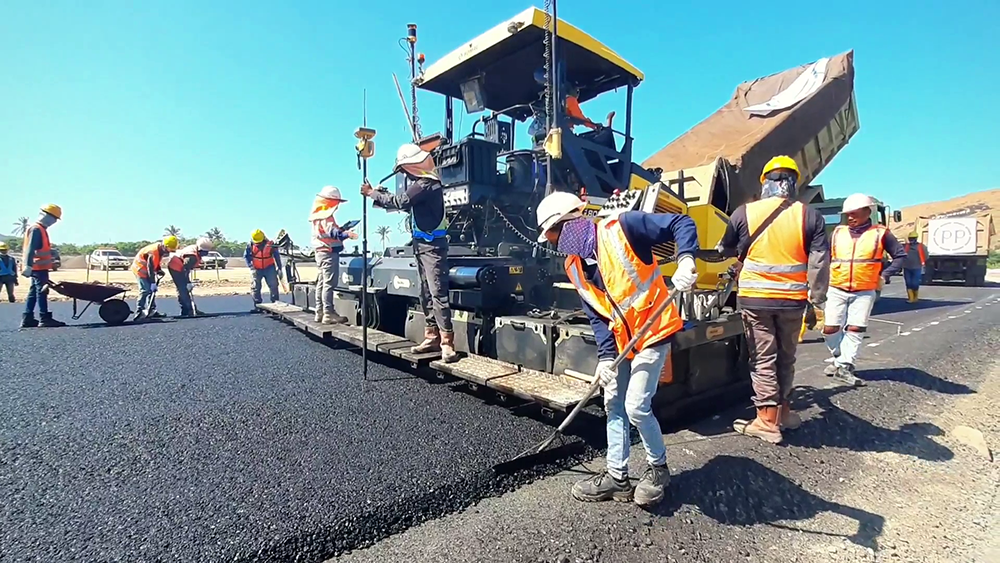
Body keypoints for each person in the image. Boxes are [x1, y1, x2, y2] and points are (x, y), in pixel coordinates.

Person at [535, 190, 699, 507]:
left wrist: (686, 259)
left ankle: (659, 469)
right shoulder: (574, 266)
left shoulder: (624, 227)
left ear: (572, 221)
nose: (554, 243)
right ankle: (617, 477)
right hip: (623, 342)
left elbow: (681, 223)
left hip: (653, 328)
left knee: (637, 406)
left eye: (555, 234)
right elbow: (598, 316)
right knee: (613, 402)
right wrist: (606, 359)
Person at [718, 156, 830, 444]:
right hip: (793, 301)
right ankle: (786, 413)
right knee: (786, 356)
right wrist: (817, 301)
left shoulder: (745, 213)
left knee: (764, 359)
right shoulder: (810, 216)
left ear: (765, 181)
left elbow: (725, 248)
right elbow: (819, 264)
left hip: (757, 301)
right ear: (793, 182)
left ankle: (767, 422)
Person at [361, 143, 457, 363]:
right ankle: (431, 336)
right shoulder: (422, 185)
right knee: (425, 292)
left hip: (432, 247)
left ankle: (447, 343)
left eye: (404, 169)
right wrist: (379, 195)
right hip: (422, 246)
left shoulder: (426, 184)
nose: (403, 173)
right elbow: (403, 203)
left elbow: (401, 201)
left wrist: (373, 193)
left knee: (437, 293)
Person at [823, 193, 906, 386]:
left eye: (855, 214)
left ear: (867, 212)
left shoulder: (881, 233)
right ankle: (839, 358)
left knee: (855, 327)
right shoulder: (837, 233)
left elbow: (900, 256)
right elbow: (825, 258)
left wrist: (884, 276)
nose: (850, 218)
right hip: (837, 286)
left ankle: (844, 366)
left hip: (865, 289)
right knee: (829, 328)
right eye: (848, 214)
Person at [308, 186, 357, 324]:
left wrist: (341, 230)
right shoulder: (326, 216)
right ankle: (328, 313)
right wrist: (347, 234)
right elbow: (332, 233)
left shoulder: (317, 216)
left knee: (322, 283)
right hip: (328, 253)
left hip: (321, 253)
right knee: (329, 283)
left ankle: (320, 312)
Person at [20, 204, 66, 328]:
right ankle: (44, 317)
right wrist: (28, 266)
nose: (54, 222)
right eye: (54, 218)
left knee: (34, 292)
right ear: (46, 216)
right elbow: (30, 249)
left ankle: (27, 318)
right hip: (38, 268)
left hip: (39, 268)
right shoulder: (36, 229)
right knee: (42, 291)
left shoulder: (40, 229)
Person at [132, 236, 178, 321]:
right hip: (140, 270)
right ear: (165, 245)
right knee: (145, 290)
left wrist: (158, 269)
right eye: (169, 249)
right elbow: (150, 267)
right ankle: (139, 312)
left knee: (151, 292)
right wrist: (153, 283)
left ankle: (152, 311)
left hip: (147, 270)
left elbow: (154, 263)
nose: (169, 251)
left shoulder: (160, 250)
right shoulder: (153, 251)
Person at [167, 237, 214, 317]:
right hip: (176, 268)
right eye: (204, 252)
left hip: (181, 268)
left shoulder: (195, 250)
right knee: (182, 288)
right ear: (200, 250)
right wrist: (187, 282)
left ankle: (189, 309)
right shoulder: (191, 257)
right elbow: (185, 269)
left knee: (183, 288)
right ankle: (188, 310)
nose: (206, 253)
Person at [245, 230, 284, 306]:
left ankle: (275, 303)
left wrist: (279, 267)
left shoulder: (271, 245)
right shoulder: (250, 245)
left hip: (269, 268)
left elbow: (276, 256)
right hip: (256, 269)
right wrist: (251, 266)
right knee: (255, 287)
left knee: (273, 285)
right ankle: (257, 304)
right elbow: (246, 256)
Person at [902, 231, 927, 303]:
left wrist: (921, 263)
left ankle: (915, 297)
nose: (911, 240)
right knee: (908, 283)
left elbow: (926, 256)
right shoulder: (905, 246)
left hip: (917, 267)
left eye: (913, 238)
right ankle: (911, 298)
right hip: (907, 267)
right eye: (910, 238)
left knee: (915, 283)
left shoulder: (921, 246)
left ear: (916, 238)